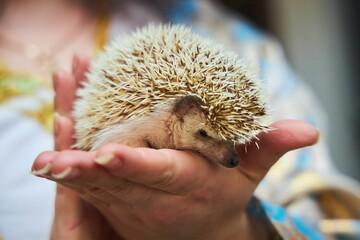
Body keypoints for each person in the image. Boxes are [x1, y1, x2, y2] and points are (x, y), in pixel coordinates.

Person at [1, 0, 359, 239]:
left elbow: (332, 224)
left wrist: (234, 229)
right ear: (180, 112)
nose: (227, 157)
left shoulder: (235, 42)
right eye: (205, 135)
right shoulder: (143, 107)